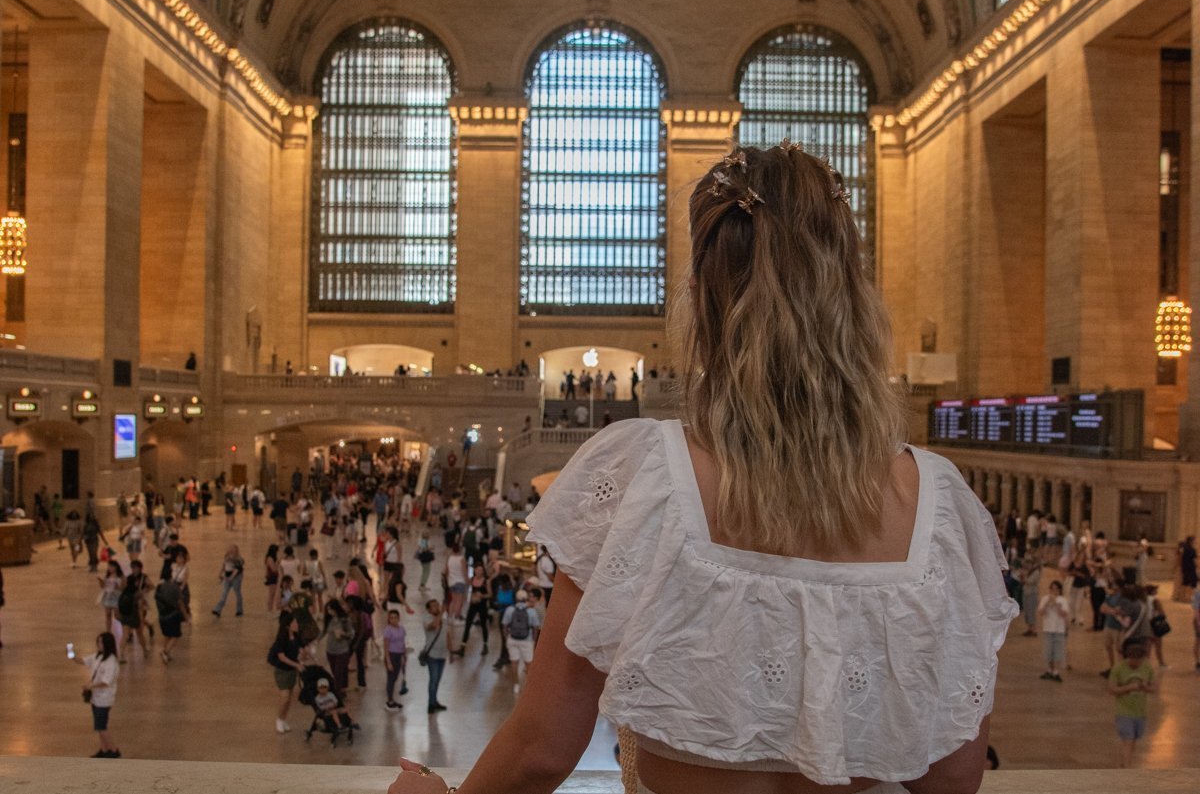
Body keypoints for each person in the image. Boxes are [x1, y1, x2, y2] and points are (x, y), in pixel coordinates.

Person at [387, 145, 1018, 794]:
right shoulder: (941, 508)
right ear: (856, 301)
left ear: (701, 301)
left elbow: (542, 748)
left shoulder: (643, 480)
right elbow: (952, 776)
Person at [1108, 639, 1157, 768]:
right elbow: (1112, 690)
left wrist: (1144, 687)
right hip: (1124, 712)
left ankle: (1125, 763)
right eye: (1135, 661)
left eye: (1140, 661)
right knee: (1128, 740)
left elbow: (1153, 688)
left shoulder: (1147, 667)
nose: (1138, 664)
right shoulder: (1118, 669)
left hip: (1140, 712)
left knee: (1133, 740)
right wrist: (1129, 688)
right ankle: (1127, 768)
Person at [74, 632, 121, 757]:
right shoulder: (98, 656)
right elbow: (84, 661)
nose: (98, 644)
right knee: (99, 726)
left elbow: (106, 682)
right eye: (98, 642)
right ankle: (104, 750)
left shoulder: (111, 662)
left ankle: (114, 750)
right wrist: (72, 656)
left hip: (104, 699)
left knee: (101, 726)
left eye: (100, 642)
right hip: (96, 698)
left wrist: (91, 686)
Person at [268, 611, 305, 734]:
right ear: (288, 625)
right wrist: (297, 665)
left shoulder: (296, 637)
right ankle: (279, 719)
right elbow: (282, 657)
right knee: (285, 697)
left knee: (289, 699)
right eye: (294, 622)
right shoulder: (281, 639)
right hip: (282, 672)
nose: (296, 624)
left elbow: (301, 649)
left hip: (291, 672)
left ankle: (284, 719)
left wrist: (305, 655)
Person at [501, 589, 540, 692]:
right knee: (528, 664)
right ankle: (529, 687)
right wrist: (534, 639)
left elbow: (504, 625)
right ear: (525, 598)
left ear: (516, 598)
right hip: (526, 640)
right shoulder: (531, 611)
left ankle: (516, 685)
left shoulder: (509, 609)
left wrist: (506, 638)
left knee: (514, 663)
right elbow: (535, 627)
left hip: (512, 639)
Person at [1037, 580, 1069, 681]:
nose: (1054, 591)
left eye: (1056, 589)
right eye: (1052, 588)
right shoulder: (1045, 599)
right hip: (1048, 628)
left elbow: (1064, 614)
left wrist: (1055, 603)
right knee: (1048, 650)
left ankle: (1056, 671)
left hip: (1059, 629)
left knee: (1058, 651)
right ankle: (1049, 670)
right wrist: (1047, 604)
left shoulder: (1063, 600)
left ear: (1059, 590)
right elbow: (1041, 612)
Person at [421, 599, 448, 714]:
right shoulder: (427, 619)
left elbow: (447, 634)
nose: (436, 608)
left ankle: (434, 700)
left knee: (437, 680)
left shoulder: (443, 618)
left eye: (437, 605)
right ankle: (431, 704)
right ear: (428, 609)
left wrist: (450, 651)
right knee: (433, 679)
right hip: (432, 655)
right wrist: (441, 613)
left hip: (442, 654)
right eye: (433, 606)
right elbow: (433, 626)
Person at [383, 609, 408, 711]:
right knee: (391, 679)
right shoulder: (388, 630)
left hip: (399, 655)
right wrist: (388, 661)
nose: (393, 620)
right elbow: (385, 646)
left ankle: (392, 699)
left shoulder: (401, 629)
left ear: (398, 618)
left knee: (395, 678)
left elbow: (403, 642)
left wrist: (404, 655)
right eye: (391, 618)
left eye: (395, 617)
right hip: (391, 655)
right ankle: (389, 700)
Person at [211, 544, 245, 617]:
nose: (231, 550)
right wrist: (220, 573)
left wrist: (231, 577)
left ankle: (239, 610)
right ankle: (217, 610)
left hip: (236, 578)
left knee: (237, 593)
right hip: (227, 577)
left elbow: (237, 569)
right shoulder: (226, 557)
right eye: (230, 548)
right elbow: (224, 566)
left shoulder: (238, 559)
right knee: (224, 594)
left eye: (233, 549)